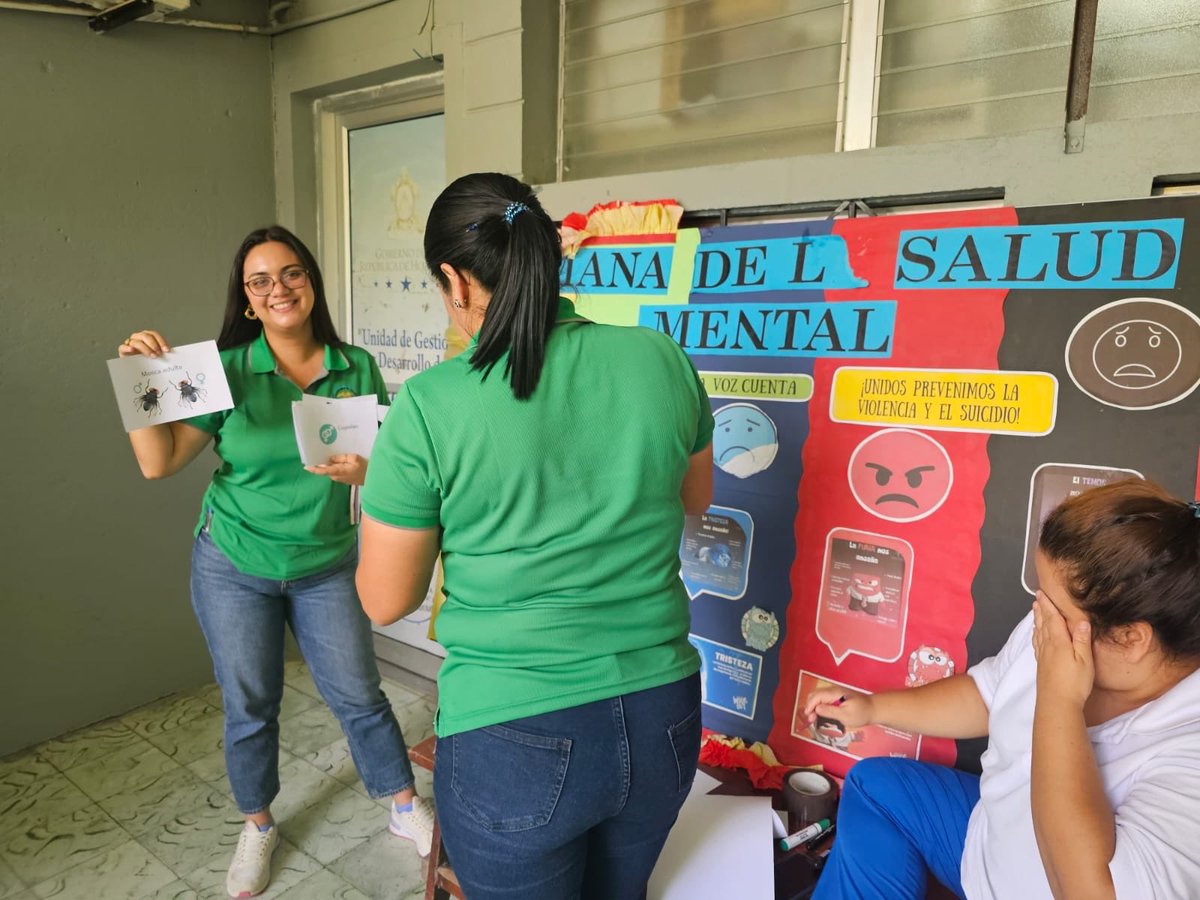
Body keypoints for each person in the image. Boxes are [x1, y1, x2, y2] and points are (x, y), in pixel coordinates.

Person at [356, 172, 715, 900]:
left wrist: (387, 498)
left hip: (511, 730)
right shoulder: (660, 358)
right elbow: (695, 500)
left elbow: (384, 601)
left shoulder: (430, 406)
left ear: (455, 282)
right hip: (663, 715)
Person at [117, 225, 432, 899]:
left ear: (311, 284)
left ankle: (403, 806)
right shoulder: (222, 369)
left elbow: (379, 469)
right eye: (259, 281)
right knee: (250, 704)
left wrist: (365, 473)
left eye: (290, 273)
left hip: (326, 563)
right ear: (247, 301)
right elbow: (158, 462)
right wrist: (141, 378)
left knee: (358, 693)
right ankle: (257, 824)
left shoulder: (356, 366)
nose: (277, 288)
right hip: (234, 562)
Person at [803, 478, 1200, 899]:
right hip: (985, 847)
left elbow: (1088, 891)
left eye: (1054, 607)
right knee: (874, 788)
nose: (1038, 613)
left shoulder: (1187, 750)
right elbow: (989, 695)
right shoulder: (1057, 625)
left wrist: (1059, 698)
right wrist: (872, 709)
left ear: (1131, 639)